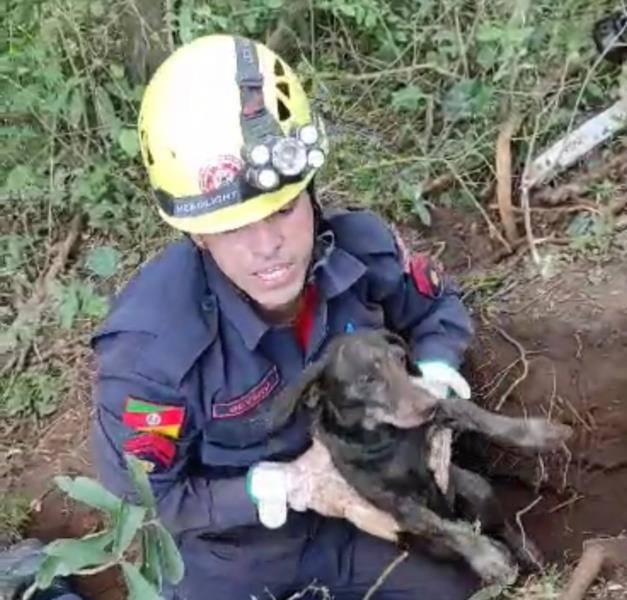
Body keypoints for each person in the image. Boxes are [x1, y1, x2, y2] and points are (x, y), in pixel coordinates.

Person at [89, 34, 479, 599]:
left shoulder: (361, 252)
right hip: (234, 556)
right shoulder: (152, 352)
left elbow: (437, 308)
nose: (268, 245)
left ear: (310, 190)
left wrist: (435, 383)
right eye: (233, 226)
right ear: (195, 232)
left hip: (368, 512)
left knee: (456, 586)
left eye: (284, 208)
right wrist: (285, 486)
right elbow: (146, 500)